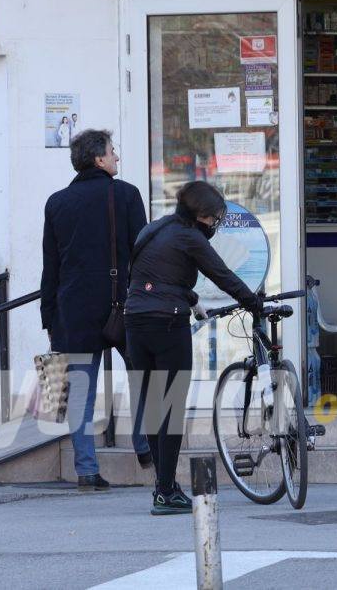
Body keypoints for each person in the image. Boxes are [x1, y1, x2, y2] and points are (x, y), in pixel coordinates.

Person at [125, 181, 260, 515]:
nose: (215, 224)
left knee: (154, 408)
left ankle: (163, 488)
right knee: (171, 408)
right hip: (167, 325)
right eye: (214, 219)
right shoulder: (191, 237)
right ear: (201, 215)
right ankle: (166, 492)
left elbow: (151, 276)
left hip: (135, 322)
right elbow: (222, 275)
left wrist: (191, 299)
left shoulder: (154, 229)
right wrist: (256, 304)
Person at [41, 129, 153, 491]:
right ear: (98, 159)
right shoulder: (126, 195)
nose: (117, 157)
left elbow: (51, 267)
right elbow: (145, 253)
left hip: (72, 310)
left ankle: (86, 470)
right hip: (123, 306)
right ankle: (144, 446)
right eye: (112, 151)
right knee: (144, 376)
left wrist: (49, 318)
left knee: (80, 393)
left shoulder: (57, 202)